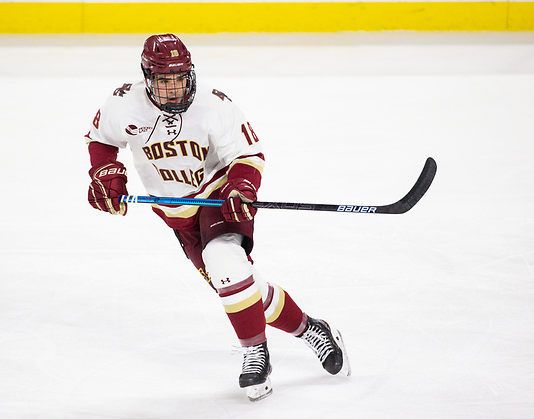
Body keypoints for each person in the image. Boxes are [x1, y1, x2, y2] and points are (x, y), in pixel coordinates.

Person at [84, 33, 350, 401]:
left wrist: (241, 186)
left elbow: (248, 153)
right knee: (239, 287)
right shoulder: (123, 104)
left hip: (218, 197)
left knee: (225, 262)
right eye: (164, 81)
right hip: (176, 213)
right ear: (147, 77)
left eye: (180, 78)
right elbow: (100, 138)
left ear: (190, 74)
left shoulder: (214, 105)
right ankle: (311, 330)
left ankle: (256, 354)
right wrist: (105, 172)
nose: (174, 88)